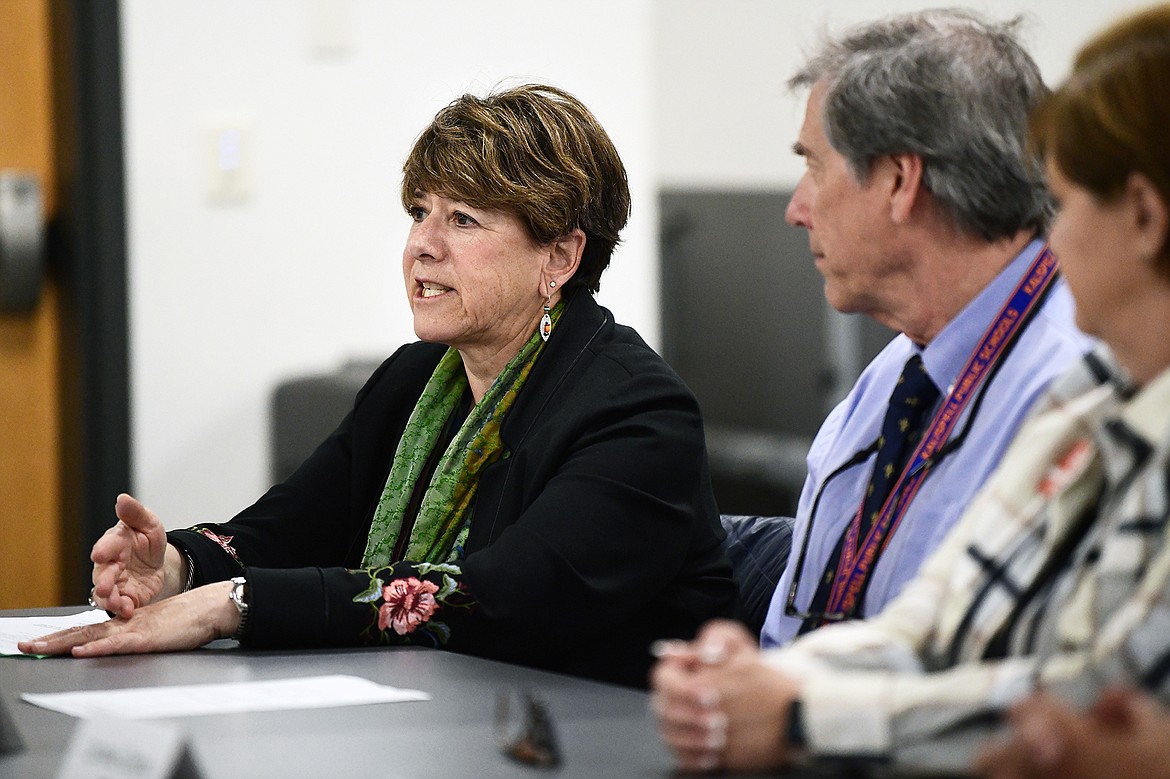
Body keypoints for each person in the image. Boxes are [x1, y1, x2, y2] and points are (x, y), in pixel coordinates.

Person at [21, 83, 738, 688]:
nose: (423, 243)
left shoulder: (638, 413)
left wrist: (234, 604)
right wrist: (175, 568)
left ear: (560, 255)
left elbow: (500, 597)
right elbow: (287, 528)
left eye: (463, 218)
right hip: (446, 717)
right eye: (419, 211)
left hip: (602, 741)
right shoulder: (416, 378)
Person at [653, 3, 1170, 774]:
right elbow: (935, 615)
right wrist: (762, 684)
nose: (1050, 235)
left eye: (1068, 201)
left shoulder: (1062, 372)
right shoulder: (1072, 393)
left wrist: (797, 711)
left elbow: (1081, 702)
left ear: (1142, 217)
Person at [759, 8, 1091, 649]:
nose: (796, 209)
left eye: (814, 166)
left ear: (899, 181)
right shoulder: (896, 372)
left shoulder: (1070, 385)